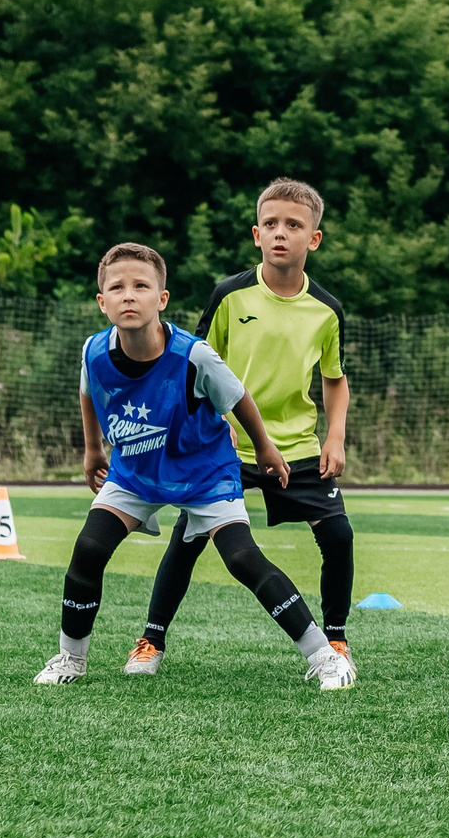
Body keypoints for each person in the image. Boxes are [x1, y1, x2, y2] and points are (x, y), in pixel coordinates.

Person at [31, 244, 347, 689]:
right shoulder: (93, 351)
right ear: (102, 302)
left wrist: (266, 449)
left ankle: (324, 655)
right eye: (117, 287)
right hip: (134, 473)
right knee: (88, 549)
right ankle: (69, 658)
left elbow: (239, 398)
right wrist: (92, 451)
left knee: (242, 558)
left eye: (141, 286)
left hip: (206, 475)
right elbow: (88, 393)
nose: (129, 296)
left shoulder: (193, 355)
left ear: (161, 299)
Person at [142, 181, 354, 677]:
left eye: (294, 225)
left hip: (297, 445)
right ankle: (151, 640)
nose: (282, 234)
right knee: (188, 539)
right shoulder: (229, 295)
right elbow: (193, 364)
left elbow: (335, 380)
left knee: (338, 535)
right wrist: (212, 418)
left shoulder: (327, 310)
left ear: (314, 239)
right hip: (226, 445)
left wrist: (336, 435)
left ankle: (337, 639)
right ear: (257, 235)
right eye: (272, 225)